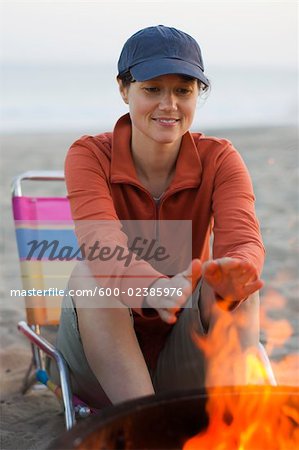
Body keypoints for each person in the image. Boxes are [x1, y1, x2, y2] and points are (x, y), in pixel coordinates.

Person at [50, 25, 265, 409]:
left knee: (237, 283)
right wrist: (155, 289)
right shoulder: (89, 155)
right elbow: (101, 246)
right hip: (100, 362)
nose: (169, 106)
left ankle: (233, 425)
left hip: (181, 354)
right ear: (123, 89)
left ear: (197, 93)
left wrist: (234, 272)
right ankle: (145, 428)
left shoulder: (220, 158)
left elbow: (244, 240)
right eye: (152, 89)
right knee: (90, 274)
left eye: (183, 90)